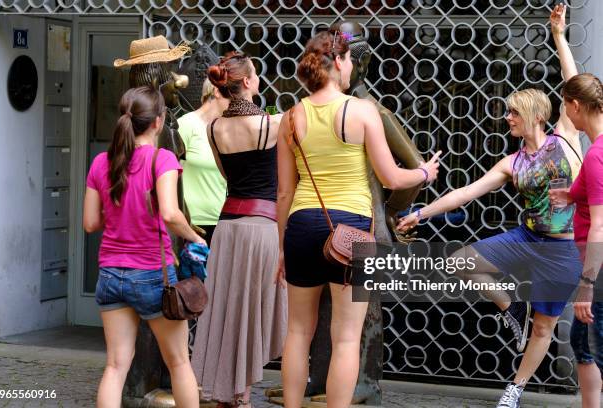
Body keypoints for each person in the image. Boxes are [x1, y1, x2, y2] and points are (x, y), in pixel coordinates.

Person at [398, 6, 583, 407]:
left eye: (514, 112)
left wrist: (558, 36)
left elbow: (573, 85)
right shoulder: (511, 163)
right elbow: (464, 193)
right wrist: (419, 213)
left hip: (563, 248)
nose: (507, 117)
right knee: (461, 260)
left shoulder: (566, 137)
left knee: (543, 327)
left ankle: (514, 390)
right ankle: (511, 306)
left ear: (534, 114)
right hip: (526, 237)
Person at [276, 30, 441, 408]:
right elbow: (392, 178)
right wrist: (425, 173)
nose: (351, 68)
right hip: (351, 229)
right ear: (338, 62)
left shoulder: (291, 116)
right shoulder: (362, 111)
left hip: (301, 225)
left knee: (298, 331)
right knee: (347, 338)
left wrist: (281, 247)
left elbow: (284, 192)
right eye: (348, 61)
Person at [83, 86, 205, 408]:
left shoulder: (100, 163)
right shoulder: (162, 159)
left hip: (110, 274)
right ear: (159, 122)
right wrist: (194, 236)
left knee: (115, 366)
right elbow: (169, 213)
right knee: (179, 362)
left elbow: (90, 223)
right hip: (152, 274)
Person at [191, 52, 287, 408]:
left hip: (227, 227)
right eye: (257, 74)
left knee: (229, 309)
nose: (259, 79)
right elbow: (283, 183)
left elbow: (226, 175)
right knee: (255, 312)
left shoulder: (214, 128)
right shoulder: (272, 124)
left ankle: (229, 394)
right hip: (262, 228)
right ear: (247, 82)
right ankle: (241, 395)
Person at [548, 30, 603, 408]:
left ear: (576, 106)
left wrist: (586, 285)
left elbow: (600, 225)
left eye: (565, 106)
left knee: (591, 344)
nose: (564, 114)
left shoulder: (597, 156)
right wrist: (572, 194)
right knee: (585, 345)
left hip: (596, 264)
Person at [178, 79, 230, 244]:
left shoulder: (227, 129)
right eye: (233, 94)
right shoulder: (186, 125)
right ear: (216, 91)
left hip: (223, 222)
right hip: (191, 224)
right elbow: (168, 175)